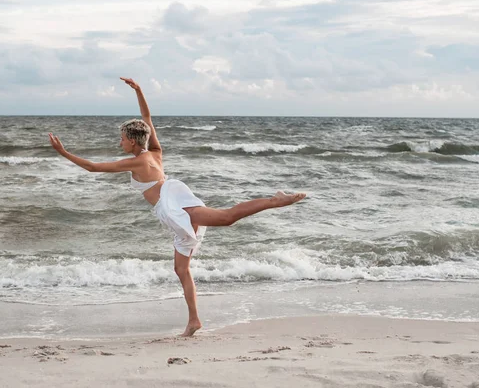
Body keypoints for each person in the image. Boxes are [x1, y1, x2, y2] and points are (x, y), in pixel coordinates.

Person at [49, 77, 306, 337]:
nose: (120, 143)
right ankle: (194, 320)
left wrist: (63, 152)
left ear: (134, 142)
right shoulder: (155, 152)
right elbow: (147, 118)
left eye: (123, 139)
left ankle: (276, 200)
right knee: (182, 267)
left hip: (171, 204)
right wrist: (138, 91)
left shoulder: (137, 161)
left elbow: (94, 167)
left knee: (226, 218)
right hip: (174, 197)